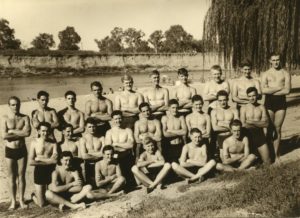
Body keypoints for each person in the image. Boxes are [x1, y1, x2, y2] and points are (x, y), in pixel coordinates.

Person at [1, 96, 31, 210]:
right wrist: (20, 132)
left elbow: (27, 133)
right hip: (10, 150)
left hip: (21, 149)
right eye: (13, 105)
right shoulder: (5, 118)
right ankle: (13, 201)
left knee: (21, 176)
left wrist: (12, 131)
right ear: (9, 106)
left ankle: (21, 200)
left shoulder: (25, 118)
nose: (15, 107)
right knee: (11, 176)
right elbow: (4, 135)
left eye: (17, 104)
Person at [261, 53, 291, 161]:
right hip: (269, 103)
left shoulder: (285, 73)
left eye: (277, 60)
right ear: (270, 61)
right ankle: (270, 155)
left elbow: (287, 90)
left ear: (280, 60)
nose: (276, 62)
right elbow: (263, 90)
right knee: (269, 129)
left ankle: (277, 155)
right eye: (273, 60)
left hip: (281, 103)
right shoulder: (265, 74)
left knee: (278, 129)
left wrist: (271, 90)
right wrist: (279, 88)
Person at [29, 122, 57, 207]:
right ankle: (34, 196)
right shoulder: (34, 142)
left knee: (51, 198)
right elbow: (31, 162)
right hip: (39, 171)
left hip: (51, 171)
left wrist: (39, 159)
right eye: (43, 131)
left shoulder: (53, 143)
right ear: (38, 131)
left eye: (47, 131)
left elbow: (55, 161)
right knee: (41, 204)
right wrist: (48, 161)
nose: (45, 133)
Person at [240, 87, 271, 164]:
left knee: (268, 162)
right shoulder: (244, 108)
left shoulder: (262, 107)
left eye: (253, 95)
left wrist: (251, 122)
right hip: (248, 136)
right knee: (249, 162)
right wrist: (259, 123)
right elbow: (243, 125)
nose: (252, 98)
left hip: (259, 135)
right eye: (249, 96)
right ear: (247, 97)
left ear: (257, 95)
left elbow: (266, 124)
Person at [105, 110, 135, 188]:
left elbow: (131, 145)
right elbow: (109, 147)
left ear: (123, 118)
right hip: (115, 157)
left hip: (127, 156)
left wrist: (117, 144)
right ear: (112, 120)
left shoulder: (128, 130)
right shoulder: (109, 132)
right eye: (116, 119)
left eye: (120, 118)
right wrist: (124, 145)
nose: (118, 120)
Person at [211, 90, 239, 159]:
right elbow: (215, 128)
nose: (222, 102)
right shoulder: (214, 111)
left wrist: (221, 124)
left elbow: (237, 125)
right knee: (224, 160)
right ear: (217, 100)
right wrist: (229, 127)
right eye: (220, 100)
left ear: (227, 100)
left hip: (231, 137)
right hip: (220, 137)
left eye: (224, 100)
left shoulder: (234, 110)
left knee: (234, 157)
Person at [79, 117, 105, 185]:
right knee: (91, 186)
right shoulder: (83, 139)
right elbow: (84, 156)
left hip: (100, 165)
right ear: (86, 127)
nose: (92, 129)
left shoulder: (101, 138)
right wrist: (98, 155)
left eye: (93, 126)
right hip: (89, 165)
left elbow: (104, 153)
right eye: (89, 127)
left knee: (101, 184)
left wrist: (90, 153)